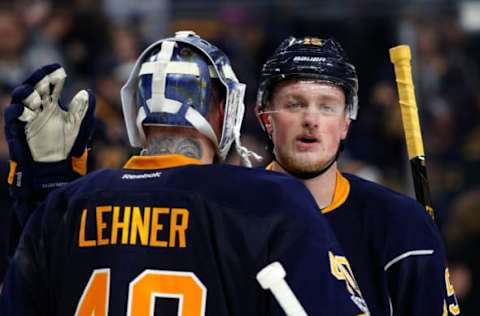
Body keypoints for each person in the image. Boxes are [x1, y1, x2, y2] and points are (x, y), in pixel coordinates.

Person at [0, 31, 369, 315]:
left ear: (136, 110)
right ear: (226, 110)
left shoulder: (69, 202)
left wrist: (46, 189)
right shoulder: (269, 199)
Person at [255, 36, 460, 315]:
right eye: (295, 104)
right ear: (265, 117)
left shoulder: (403, 225)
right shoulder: (226, 216)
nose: (311, 120)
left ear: (345, 124)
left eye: (327, 106)